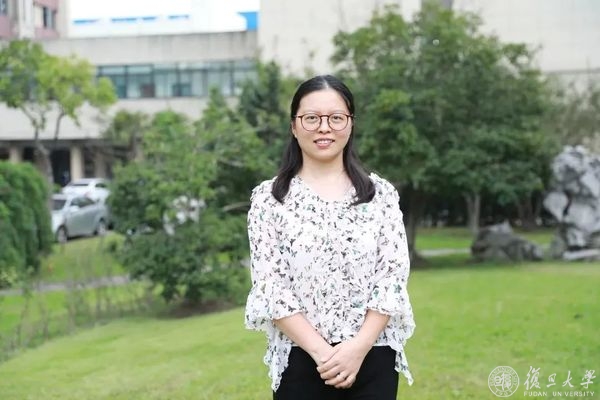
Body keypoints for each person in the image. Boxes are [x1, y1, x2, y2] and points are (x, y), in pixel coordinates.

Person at [245, 75, 415, 400]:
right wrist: (323, 354)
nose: (324, 128)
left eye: (336, 118)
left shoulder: (380, 195)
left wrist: (358, 347)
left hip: (374, 355)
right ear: (294, 126)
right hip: (300, 359)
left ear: (350, 124)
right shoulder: (269, 200)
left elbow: (392, 277)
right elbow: (271, 286)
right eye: (311, 118)